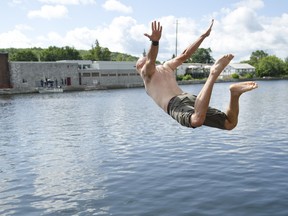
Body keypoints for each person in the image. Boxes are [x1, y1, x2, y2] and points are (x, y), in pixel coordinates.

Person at [136, 20, 258, 130]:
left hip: (176, 103)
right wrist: (155, 42)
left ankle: (213, 74)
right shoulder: (149, 75)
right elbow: (151, 60)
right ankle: (235, 93)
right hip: (189, 99)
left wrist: (203, 36)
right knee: (229, 124)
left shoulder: (164, 66)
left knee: (196, 120)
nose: (143, 67)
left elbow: (185, 54)